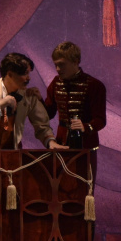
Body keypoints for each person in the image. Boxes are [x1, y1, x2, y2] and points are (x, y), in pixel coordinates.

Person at [0, 52, 67, 151]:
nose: (28, 78)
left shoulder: (29, 96)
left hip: (10, 155)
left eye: (29, 73)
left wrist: (50, 142)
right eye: (25, 74)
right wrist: (4, 102)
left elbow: (42, 126)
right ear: (10, 74)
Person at [44, 41, 106, 177]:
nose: (58, 69)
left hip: (86, 145)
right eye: (56, 65)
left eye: (62, 64)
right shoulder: (56, 83)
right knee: (61, 187)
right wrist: (36, 102)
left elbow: (100, 119)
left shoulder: (94, 85)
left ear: (75, 61)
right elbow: (48, 113)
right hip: (61, 143)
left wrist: (86, 126)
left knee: (84, 188)